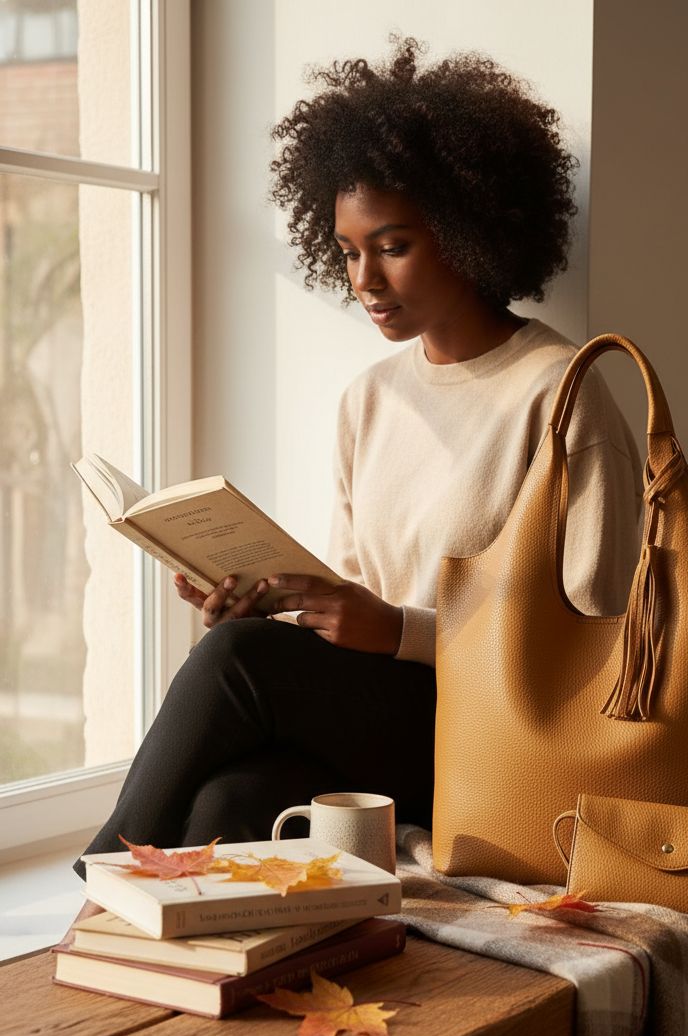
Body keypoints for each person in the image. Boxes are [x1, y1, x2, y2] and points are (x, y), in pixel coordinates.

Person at [74, 36, 641, 875]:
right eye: (347, 251)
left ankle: (93, 890)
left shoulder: (561, 393)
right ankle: (155, 929)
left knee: (235, 665)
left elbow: (599, 649)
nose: (364, 278)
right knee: (229, 800)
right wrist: (273, 612)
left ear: (469, 229)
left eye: (393, 245)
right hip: (386, 723)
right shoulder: (370, 400)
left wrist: (400, 630)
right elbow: (354, 612)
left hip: (502, 739)